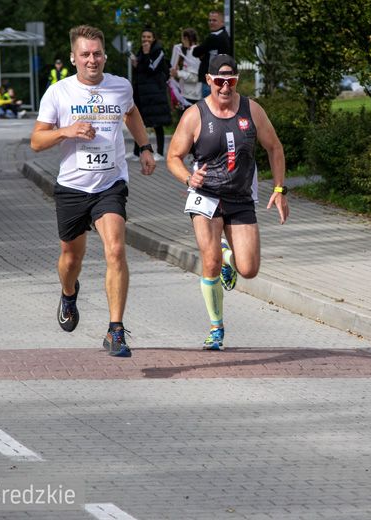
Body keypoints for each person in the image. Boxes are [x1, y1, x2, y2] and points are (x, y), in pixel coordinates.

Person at [30, 25, 157, 357]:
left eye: (97, 53)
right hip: (72, 186)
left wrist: (144, 146)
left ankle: (116, 330)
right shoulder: (58, 93)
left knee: (115, 250)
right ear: (74, 58)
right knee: (71, 258)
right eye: (85, 54)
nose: (92, 60)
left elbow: (130, 112)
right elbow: (36, 141)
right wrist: (67, 131)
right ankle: (68, 293)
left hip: (110, 184)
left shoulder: (120, 87)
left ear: (104, 55)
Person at [166, 54, 288, 350]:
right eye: (218, 81)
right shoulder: (195, 115)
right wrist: (187, 178)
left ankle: (227, 259)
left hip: (240, 198)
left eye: (230, 81)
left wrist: (279, 189)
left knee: (249, 269)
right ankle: (216, 328)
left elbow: (275, 148)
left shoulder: (252, 110)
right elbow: (173, 157)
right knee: (209, 262)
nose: (224, 87)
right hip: (205, 197)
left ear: (236, 81)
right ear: (208, 80)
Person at [129, 28, 172, 161]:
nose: (145, 39)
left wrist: (147, 54)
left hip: (155, 93)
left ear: (153, 39)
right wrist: (135, 64)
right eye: (143, 37)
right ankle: (137, 152)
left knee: (157, 123)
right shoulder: (140, 51)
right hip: (141, 93)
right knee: (139, 122)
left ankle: (159, 152)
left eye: (148, 37)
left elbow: (151, 68)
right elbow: (140, 71)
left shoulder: (158, 51)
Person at [192, 10, 231, 98]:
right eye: (209, 20)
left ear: (222, 22)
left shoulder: (214, 37)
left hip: (211, 81)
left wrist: (203, 54)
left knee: (209, 109)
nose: (211, 23)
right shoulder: (224, 35)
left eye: (214, 20)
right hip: (220, 79)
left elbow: (196, 52)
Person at [169, 28, 202, 111]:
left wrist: (178, 73)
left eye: (182, 39)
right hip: (187, 94)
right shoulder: (189, 52)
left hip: (193, 96)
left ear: (186, 38)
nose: (182, 42)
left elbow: (195, 77)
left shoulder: (194, 52)